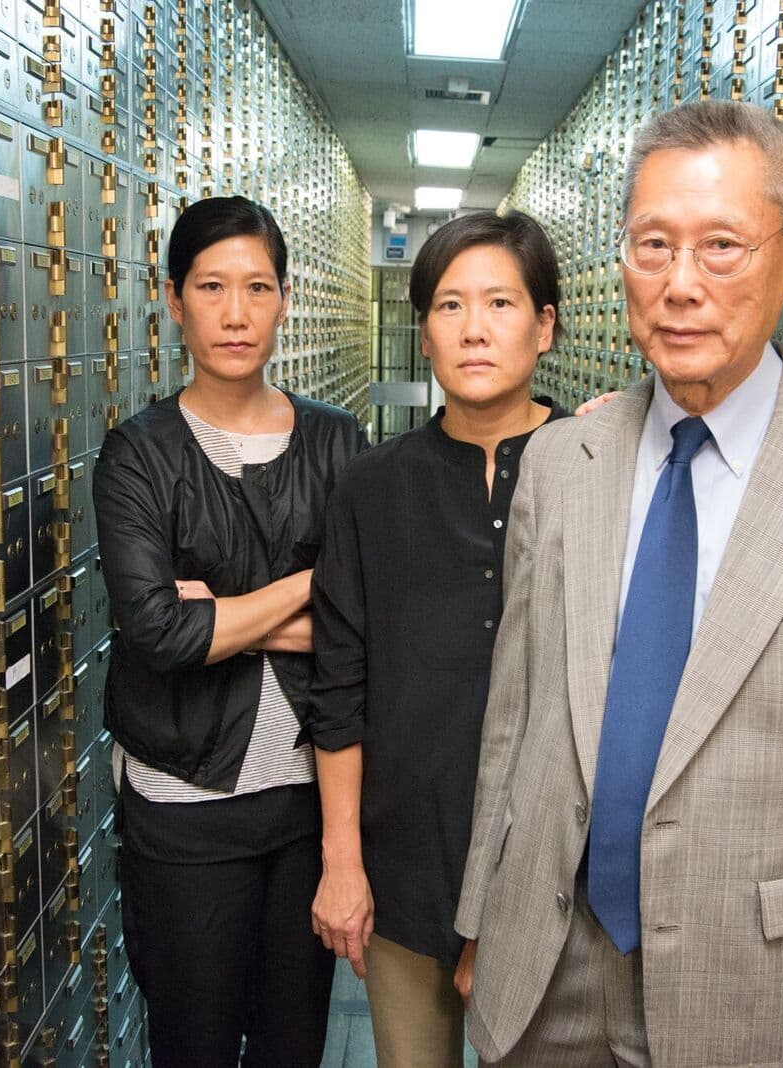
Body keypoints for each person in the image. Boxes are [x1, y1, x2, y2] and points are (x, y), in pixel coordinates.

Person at [453, 100, 783, 1067]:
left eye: (722, 245)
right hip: (541, 967)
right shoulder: (562, 461)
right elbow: (511, 720)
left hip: (748, 992)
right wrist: (480, 914)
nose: (681, 285)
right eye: (653, 246)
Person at [92, 195, 365, 1068]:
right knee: (195, 1046)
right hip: (183, 811)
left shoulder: (337, 442)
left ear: (286, 297)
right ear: (174, 300)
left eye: (257, 287)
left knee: (293, 1048)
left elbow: (364, 628)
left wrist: (222, 615)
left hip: (304, 804)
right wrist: (308, 591)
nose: (236, 313)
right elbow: (160, 634)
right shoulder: (138, 453)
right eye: (211, 286)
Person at [306, 211, 567, 1067]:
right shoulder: (371, 489)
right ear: (423, 333)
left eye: (500, 301)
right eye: (450, 306)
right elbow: (338, 687)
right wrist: (342, 866)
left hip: (557, 881)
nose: (476, 328)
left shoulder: (601, 471)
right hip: (407, 867)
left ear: (546, 325)